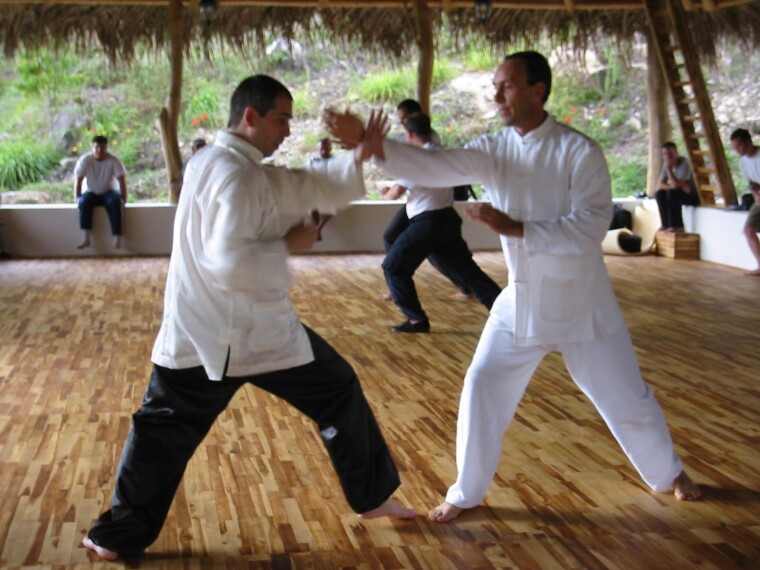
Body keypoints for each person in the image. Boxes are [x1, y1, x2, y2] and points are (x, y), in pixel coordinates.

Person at [352, 50, 701, 522]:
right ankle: (465, 492)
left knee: (627, 398)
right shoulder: (496, 148)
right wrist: (381, 150)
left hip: (584, 304)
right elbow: (442, 166)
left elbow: (588, 227)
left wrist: (515, 228)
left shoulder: (580, 151)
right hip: (521, 301)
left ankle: (668, 473)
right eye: (496, 85)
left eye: (508, 85)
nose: (497, 93)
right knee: (482, 385)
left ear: (538, 90)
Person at [81, 75, 415, 562]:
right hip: (223, 333)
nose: (287, 130)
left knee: (331, 388)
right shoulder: (236, 173)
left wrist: (360, 156)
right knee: (163, 432)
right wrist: (292, 245)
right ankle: (115, 535)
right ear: (251, 116)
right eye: (281, 119)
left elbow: (296, 185)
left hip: (241, 330)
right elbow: (228, 262)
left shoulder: (226, 162)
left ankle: (371, 495)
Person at [381, 112, 502, 333]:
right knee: (469, 272)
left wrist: (384, 193)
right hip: (446, 219)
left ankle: (416, 320)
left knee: (393, 267)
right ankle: (507, 313)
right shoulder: (441, 153)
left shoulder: (418, 160)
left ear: (409, 134)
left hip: (427, 222)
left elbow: (395, 192)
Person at [380, 99, 475, 301]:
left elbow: (411, 173)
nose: (402, 123)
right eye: (401, 120)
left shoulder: (428, 141)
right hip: (422, 203)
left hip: (430, 205)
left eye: (404, 119)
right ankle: (396, 284)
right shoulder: (419, 138)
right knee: (393, 237)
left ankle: (466, 285)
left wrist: (391, 191)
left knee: (438, 251)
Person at [74, 135, 127, 249]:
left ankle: (117, 237)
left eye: (102, 147)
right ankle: (86, 238)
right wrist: (77, 198)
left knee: (115, 202)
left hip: (109, 192)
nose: (99, 150)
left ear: (106, 148)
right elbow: (78, 180)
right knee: (84, 202)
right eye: (97, 147)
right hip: (91, 192)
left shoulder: (114, 160)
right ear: (92, 147)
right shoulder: (85, 160)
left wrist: (124, 199)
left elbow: (122, 181)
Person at [730, 128, 760, 276]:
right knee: (749, 230)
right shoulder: (743, 161)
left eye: (739, 146)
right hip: (759, 200)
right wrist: (756, 194)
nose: (737, 150)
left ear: (748, 142)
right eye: (735, 147)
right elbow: (752, 182)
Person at [655, 141, 699, 232]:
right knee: (659, 194)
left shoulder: (685, 163)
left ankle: (677, 226)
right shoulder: (666, 164)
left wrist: (669, 170)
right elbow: (659, 185)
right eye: (665, 154)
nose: (668, 157)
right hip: (680, 191)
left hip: (692, 195)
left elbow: (675, 185)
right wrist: (672, 186)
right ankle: (666, 224)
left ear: (676, 153)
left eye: (670, 154)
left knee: (672, 193)